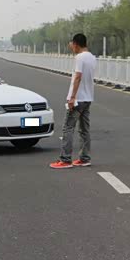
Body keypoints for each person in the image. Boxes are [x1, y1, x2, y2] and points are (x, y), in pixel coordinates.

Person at [50, 33, 96, 169]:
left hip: (78, 99)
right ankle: (84, 158)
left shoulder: (79, 58)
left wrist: (72, 97)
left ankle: (65, 159)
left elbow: (78, 77)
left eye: (72, 45)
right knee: (84, 130)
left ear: (76, 44)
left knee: (68, 128)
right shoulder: (92, 57)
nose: (71, 47)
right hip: (88, 98)